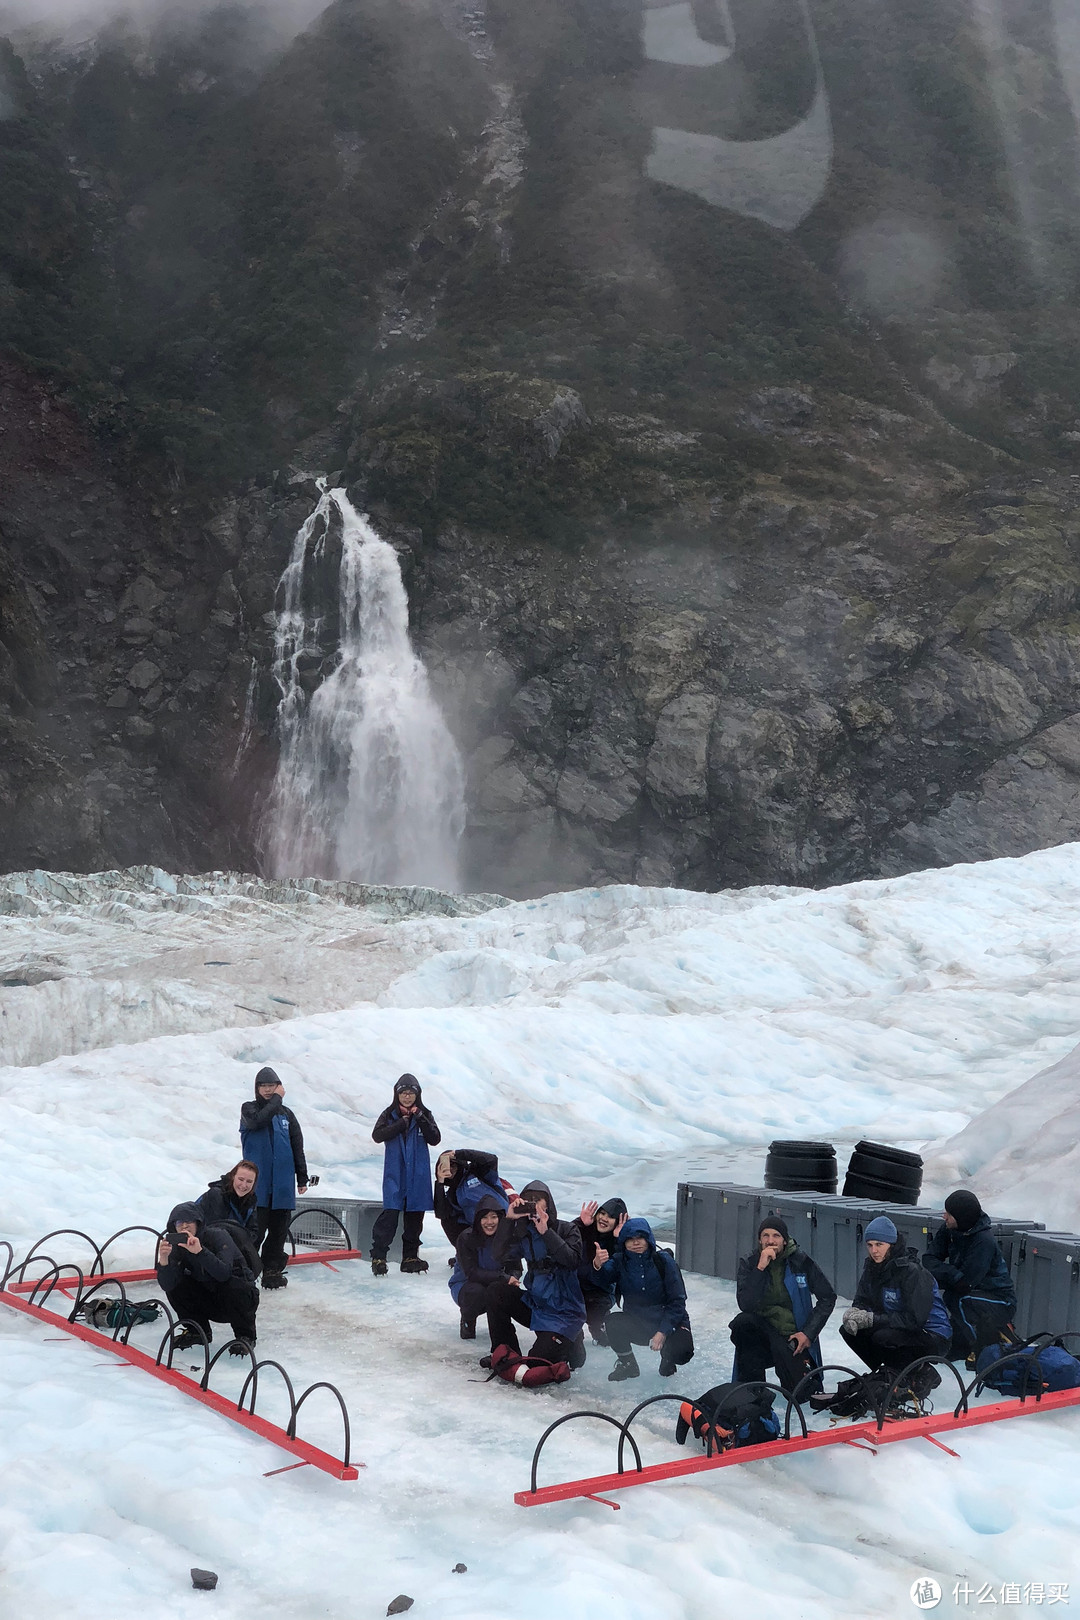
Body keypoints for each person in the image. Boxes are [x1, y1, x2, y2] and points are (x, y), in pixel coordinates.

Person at [839, 1215, 951, 1395]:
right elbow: (862, 1299)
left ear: (891, 1244)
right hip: (900, 1327)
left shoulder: (911, 1272)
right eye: (870, 1245)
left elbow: (914, 1320)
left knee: (883, 1336)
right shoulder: (872, 1267)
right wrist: (854, 1313)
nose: (874, 1250)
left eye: (879, 1244)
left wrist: (872, 1319)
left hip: (933, 1334)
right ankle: (891, 1371)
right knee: (849, 1331)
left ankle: (919, 1372)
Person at [729, 1213, 837, 1397]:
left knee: (801, 1394)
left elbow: (827, 1297)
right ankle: (753, 1392)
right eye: (766, 1235)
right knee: (743, 1323)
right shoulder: (750, 1262)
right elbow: (746, 1304)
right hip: (761, 1331)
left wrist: (808, 1333)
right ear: (759, 1239)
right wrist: (760, 1268)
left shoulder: (800, 1261)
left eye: (776, 1236)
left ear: (785, 1241)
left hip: (791, 1334)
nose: (770, 1241)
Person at [484, 1180, 587, 1369]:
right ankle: (505, 1352)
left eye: (537, 1199)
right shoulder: (524, 1232)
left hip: (564, 1312)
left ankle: (573, 1340)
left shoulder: (567, 1229)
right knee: (496, 1291)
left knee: (536, 1366)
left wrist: (546, 1232)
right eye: (528, 1199)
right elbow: (498, 1255)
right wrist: (508, 1221)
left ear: (547, 1203)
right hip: (536, 1303)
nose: (532, 1203)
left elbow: (572, 1260)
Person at [921, 1190, 1017, 1363]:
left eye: (949, 1214)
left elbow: (967, 1282)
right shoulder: (949, 1229)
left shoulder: (983, 1241)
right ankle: (959, 1345)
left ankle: (983, 1349)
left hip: (1000, 1300)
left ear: (961, 1217)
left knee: (956, 1299)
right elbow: (928, 1259)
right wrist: (951, 1274)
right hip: (969, 1292)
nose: (944, 1217)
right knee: (942, 1292)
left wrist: (946, 1275)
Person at [594, 1216, 695, 1380]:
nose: (636, 1243)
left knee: (682, 1352)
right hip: (638, 1321)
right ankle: (628, 1364)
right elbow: (602, 1281)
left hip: (669, 1321)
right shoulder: (620, 1262)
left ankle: (668, 1358)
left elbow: (677, 1301)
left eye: (640, 1237)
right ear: (624, 1243)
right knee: (612, 1322)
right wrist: (598, 1265)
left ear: (648, 1238)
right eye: (630, 1239)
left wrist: (663, 1332)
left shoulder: (664, 1261)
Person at [156, 1201, 259, 1353]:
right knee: (177, 1284)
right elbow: (168, 1285)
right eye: (179, 1222)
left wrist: (200, 1251)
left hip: (237, 1301)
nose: (184, 1226)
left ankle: (245, 1336)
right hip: (207, 1299)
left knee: (235, 1284)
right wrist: (164, 1261)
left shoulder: (218, 1236)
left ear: (198, 1223)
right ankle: (197, 1331)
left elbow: (223, 1273)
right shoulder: (177, 1247)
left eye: (189, 1221)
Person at [239, 1067, 309, 1290]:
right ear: (257, 1088)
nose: (268, 1090)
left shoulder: (287, 1115)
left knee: (278, 1232)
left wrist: (302, 1177)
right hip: (257, 1186)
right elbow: (258, 1121)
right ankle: (245, 1272)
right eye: (264, 1086)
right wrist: (277, 1098)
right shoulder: (249, 1109)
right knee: (255, 1233)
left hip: (282, 1185)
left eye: (272, 1086)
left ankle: (272, 1270)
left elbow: (297, 1146)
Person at [371, 1074, 441, 1275]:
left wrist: (420, 1118)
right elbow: (377, 1136)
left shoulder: (424, 1113)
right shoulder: (390, 1113)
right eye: (403, 1093)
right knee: (390, 1215)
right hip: (396, 1172)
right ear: (397, 1094)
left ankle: (410, 1257)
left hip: (417, 1174)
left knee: (414, 1217)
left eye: (411, 1093)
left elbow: (435, 1138)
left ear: (418, 1094)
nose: (407, 1097)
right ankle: (378, 1256)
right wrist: (400, 1124)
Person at [449, 1195, 522, 1339]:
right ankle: (468, 1321)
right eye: (484, 1217)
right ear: (477, 1219)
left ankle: (501, 1331)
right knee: (476, 1291)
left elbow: (516, 1266)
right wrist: (504, 1278)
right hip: (466, 1285)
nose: (489, 1222)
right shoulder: (466, 1238)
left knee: (502, 1292)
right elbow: (471, 1273)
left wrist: (514, 1279)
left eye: (494, 1217)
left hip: (497, 1281)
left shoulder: (508, 1238)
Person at [573, 1197, 626, 1345]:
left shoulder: (618, 1243)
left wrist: (617, 1240)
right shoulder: (584, 1230)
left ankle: (599, 1326)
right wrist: (579, 1223)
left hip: (599, 1292)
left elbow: (609, 1277)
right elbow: (561, 1239)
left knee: (603, 1336)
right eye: (602, 1213)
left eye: (611, 1217)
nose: (604, 1218)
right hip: (574, 1287)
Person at [197, 1161, 263, 1278]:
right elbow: (215, 1231)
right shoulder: (217, 1195)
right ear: (233, 1177)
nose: (244, 1185)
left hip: (231, 1246)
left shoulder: (251, 1200)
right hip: (203, 1247)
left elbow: (253, 1231)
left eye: (249, 1182)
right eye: (241, 1179)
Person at [434, 1149, 509, 1249]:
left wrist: (458, 1154)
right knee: (448, 1220)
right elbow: (441, 1214)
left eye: (453, 1165)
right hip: (480, 1228)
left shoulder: (478, 1172)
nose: (450, 1169)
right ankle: (465, 1254)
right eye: (445, 1166)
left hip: (502, 1222)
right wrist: (440, 1182)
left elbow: (491, 1159)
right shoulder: (452, 1194)